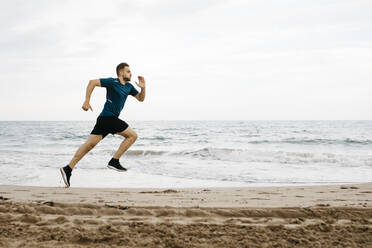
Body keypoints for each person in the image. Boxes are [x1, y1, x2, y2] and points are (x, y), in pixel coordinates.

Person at [59, 62, 146, 188]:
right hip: (108, 118)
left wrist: (143, 88)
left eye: (130, 71)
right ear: (121, 72)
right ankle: (114, 161)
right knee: (132, 136)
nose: (130, 73)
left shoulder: (129, 87)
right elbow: (92, 82)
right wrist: (87, 101)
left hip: (104, 120)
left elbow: (141, 99)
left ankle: (68, 169)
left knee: (89, 145)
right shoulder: (112, 82)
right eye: (128, 71)